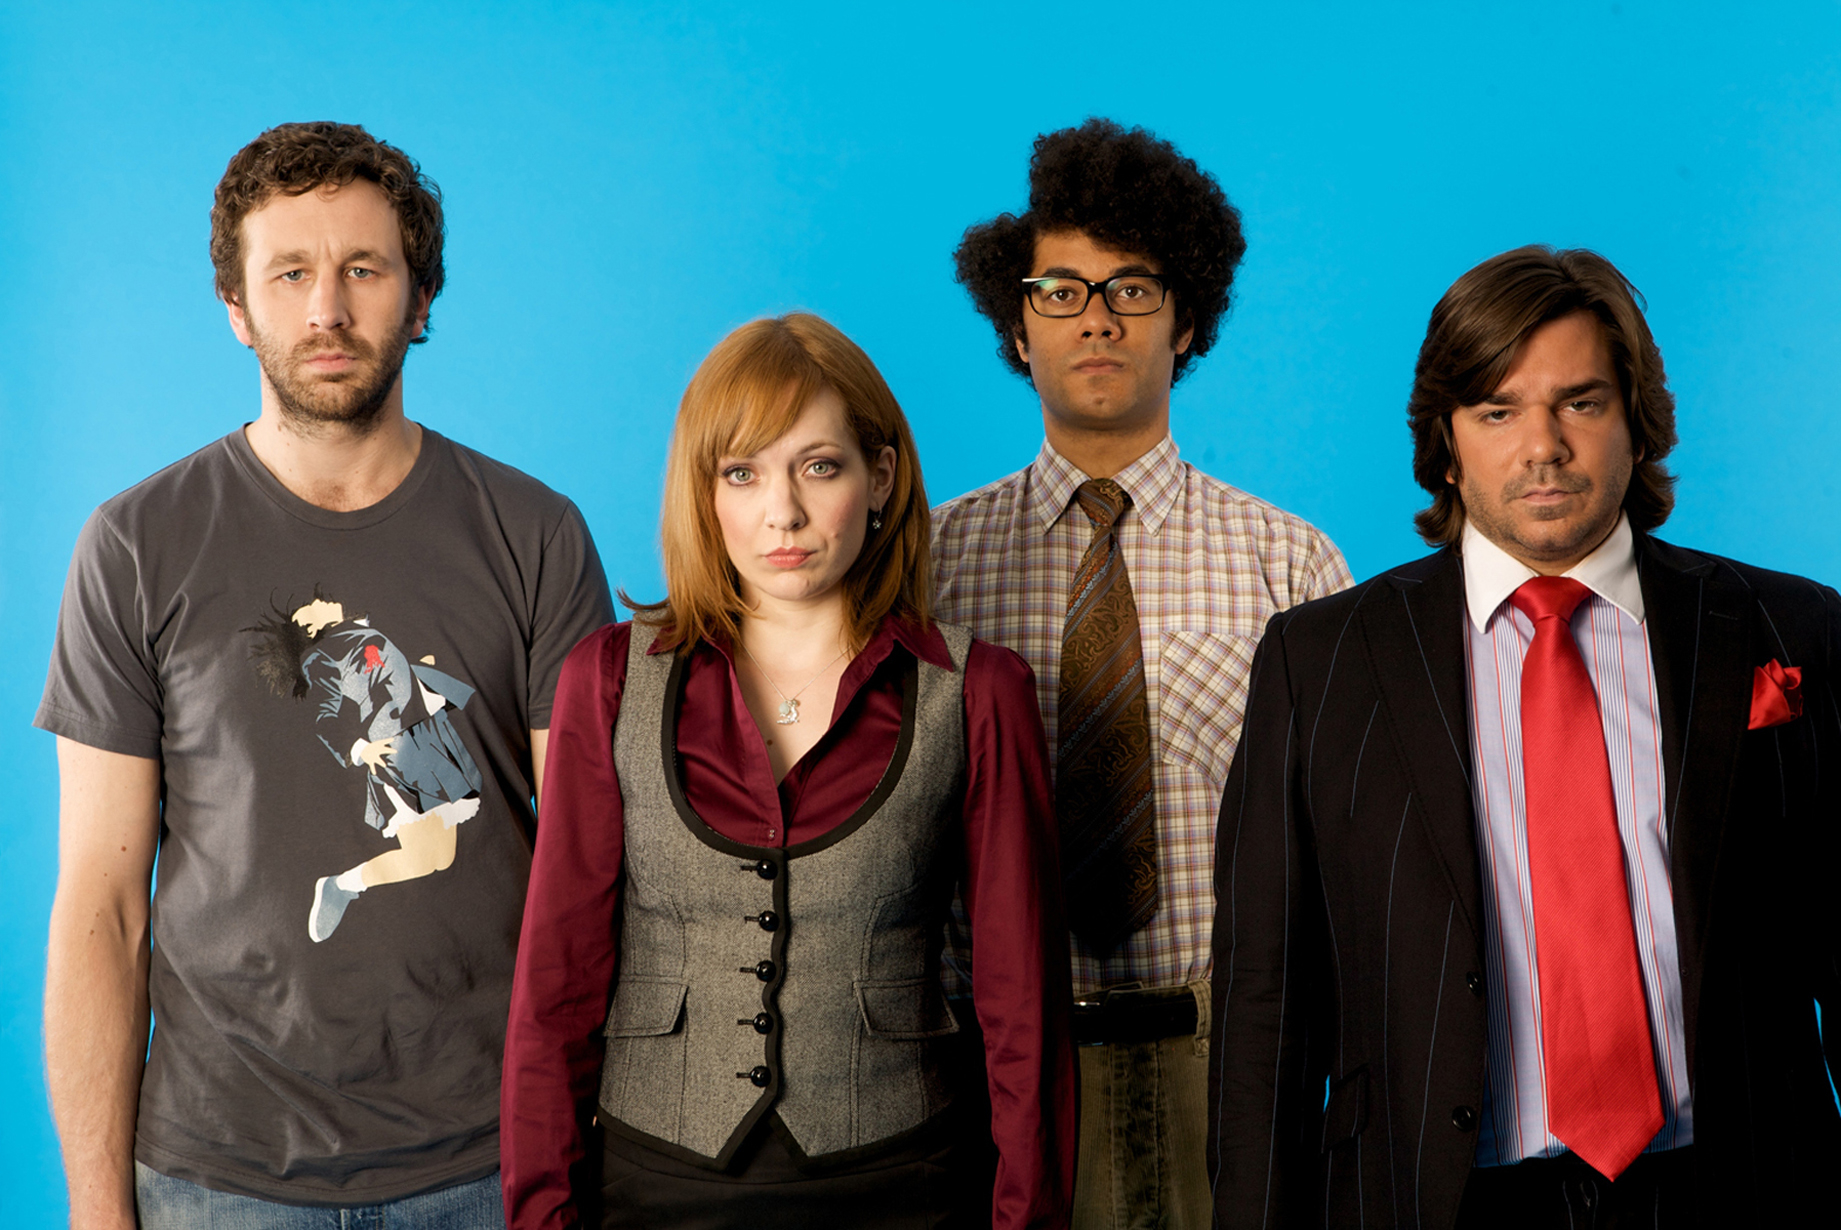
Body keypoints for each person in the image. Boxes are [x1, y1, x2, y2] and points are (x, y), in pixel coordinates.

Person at [37, 122, 613, 1227]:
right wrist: (99, 1211)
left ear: (422, 296)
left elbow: (590, 870)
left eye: (363, 270)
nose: (327, 311)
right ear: (236, 307)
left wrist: (581, 1142)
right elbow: (102, 912)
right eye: (290, 273)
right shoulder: (137, 544)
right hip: (216, 1174)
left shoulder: (533, 535)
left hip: (493, 1160)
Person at [1208, 245, 1841, 1228]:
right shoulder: (1319, 660)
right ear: (1447, 445)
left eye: (1578, 403)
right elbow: (1266, 1007)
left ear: (1635, 423)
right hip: (1435, 1196)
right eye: (1496, 411)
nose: (1539, 445)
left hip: (1739, 1181)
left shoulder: (1788, 629)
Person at [501, 314, 1077, 1229]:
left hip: (903, 1181)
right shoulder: (607, 679)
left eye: (819, 465)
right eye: (743, 473)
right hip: (654, 1184)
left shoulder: (977, 691)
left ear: (879, 477)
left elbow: (1022, 1004)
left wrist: (1025, 1218)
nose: (784, 514)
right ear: (707, 493)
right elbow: (555, 986)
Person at [933, 118, 1352, 1228]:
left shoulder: (1291, 563)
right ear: (1016, 327)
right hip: (995, 1060)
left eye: (1131, 289)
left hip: (1219, 1055)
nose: (1097, 320)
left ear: (1188, 320)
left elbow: (1335, 846)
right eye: (1060, 291)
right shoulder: (928, 563)